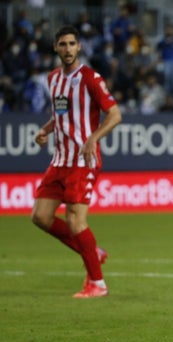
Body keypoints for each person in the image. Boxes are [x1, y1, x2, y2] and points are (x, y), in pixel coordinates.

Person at [31, 25, 122, 298]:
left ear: (79, 47)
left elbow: (115, 115)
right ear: (56, 48)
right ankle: (93, 251)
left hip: (83, 160)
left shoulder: (91, 78)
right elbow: (62, 115)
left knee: (75, 220)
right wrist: (45, 130)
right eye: (63, 44)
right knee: (40, 217)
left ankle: (97, 283)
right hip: (60, 160)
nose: (68, 49)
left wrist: (94, 138)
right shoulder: (53, 79)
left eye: (72, 44)